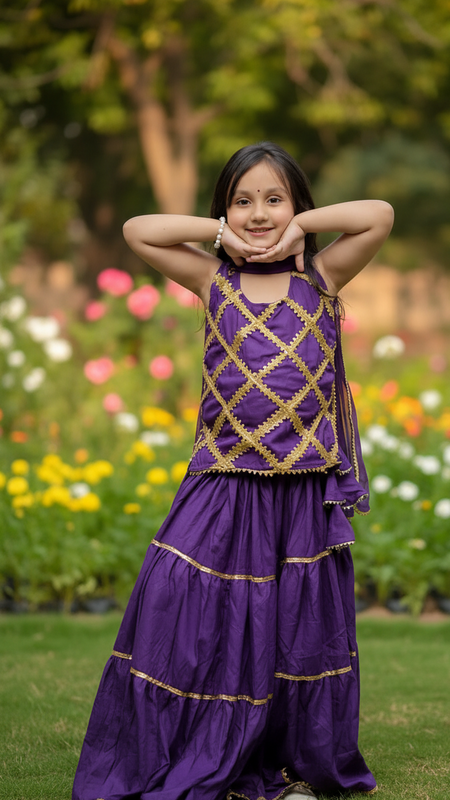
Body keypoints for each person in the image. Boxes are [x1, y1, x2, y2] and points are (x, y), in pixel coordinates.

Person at [72, 141, 393, 800]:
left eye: (274, 199)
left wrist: (304, 229)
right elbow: (140, 231)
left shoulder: (320, 278)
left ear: (297, 206)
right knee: (178, 604)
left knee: (294, 629)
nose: (258, 212)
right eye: (242, 200)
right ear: (224, 209)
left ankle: (294, 760)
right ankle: (186, 741)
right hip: (222, 481)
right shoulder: (212, 279)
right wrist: (215, 234)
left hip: (301, 493)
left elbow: (379, 214)